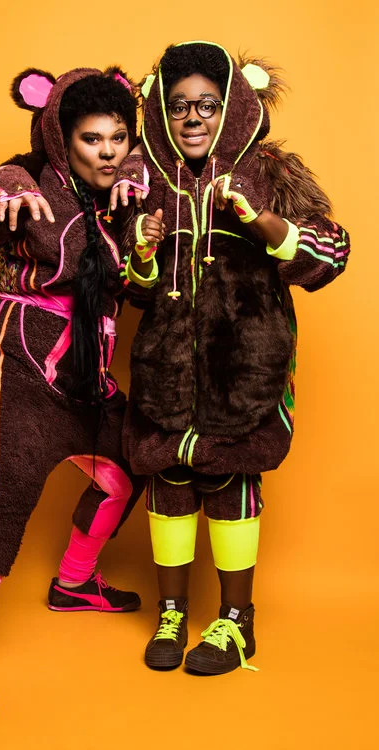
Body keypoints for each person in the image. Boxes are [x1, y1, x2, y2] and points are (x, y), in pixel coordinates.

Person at [111, 41, 350, 674]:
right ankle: (171, 613)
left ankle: (238, 622)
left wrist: (262, 220)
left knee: (231, 480)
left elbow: (331, 255)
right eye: (179, 105)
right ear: (160, 111)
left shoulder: (269, 172)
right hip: (164, 370)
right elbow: (126, 288)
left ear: (233, 107)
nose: (192, 117)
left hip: (245, 373)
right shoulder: (142, 182)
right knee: (169, 479)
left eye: (208, 104)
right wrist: (141, 255)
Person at [0, 65, 145, 717]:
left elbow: (140, 285)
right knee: (7, 491)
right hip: (19, 355)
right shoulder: (27, 185)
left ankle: (75, 584)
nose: (107, 152)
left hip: (86, 368)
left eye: (118, 138)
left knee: (128, 468)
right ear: (61, 138)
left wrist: (146, 224)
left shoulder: (126, 199)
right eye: (92, 139)